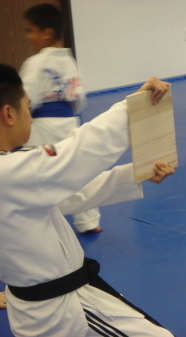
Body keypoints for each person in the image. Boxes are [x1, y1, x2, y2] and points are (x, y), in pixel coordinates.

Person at [0, 63, 175, 337]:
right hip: (62, 313)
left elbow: (66, 198)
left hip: (40, 308)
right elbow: (77, 152)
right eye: (28, 107)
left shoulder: (10, 174)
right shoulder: (8, 172)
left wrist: (134, 174)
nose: (32, 118)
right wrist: (131, 109)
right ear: (8, 113)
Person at [20, 3, 101, 233]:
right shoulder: (69, 60)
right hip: (69, 122)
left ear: (46, 32)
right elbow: (79, 99)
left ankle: (33, 221)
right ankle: (89, 221)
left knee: (35, 172)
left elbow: (24, 100)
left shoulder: (35, 63)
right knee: (74, 172)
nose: (28, 37)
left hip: (42, 128)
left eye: (30, 30)